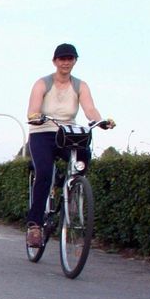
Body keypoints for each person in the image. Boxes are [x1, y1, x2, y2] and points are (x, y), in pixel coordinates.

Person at [25, 43, 113, 247]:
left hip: (67, 133)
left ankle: (71, 186)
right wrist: (35, 116)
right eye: (62, 59)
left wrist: (100, 121)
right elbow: (33, 109)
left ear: (75, 61)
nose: (66, 62)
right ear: (55, 61)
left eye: (70, 59)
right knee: (44, 173)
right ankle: (35, 225)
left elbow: (90, 109)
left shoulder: (80, 85)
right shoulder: (42, 83)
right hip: (42, 132)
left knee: (84, 154)